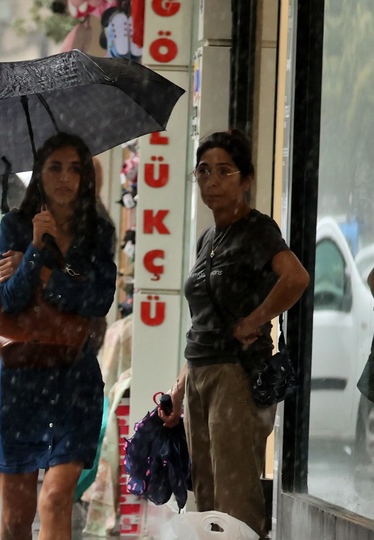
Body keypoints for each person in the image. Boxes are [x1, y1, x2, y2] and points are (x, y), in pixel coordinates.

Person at [159, 130, 310, 538]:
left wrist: (256, 318)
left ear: (246, 179)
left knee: (235, 496)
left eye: (224, 171)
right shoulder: (208, 238)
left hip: (237, 374)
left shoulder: (257, 230)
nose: (212, 181)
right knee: (204, 496)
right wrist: (179, 386)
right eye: (204, 171)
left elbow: (296, 278)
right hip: (200, 375)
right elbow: (202, 320)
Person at [0, 133, 117, 540]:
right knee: (15, 518)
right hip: (21, 381)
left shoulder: (98, 232)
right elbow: (10, 301)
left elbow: (97, 299)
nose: (66, 177)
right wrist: (33, 248)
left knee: (56, 498)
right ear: (39, 176)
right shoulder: (14, 225)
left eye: (75, 168)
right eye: (55, 167)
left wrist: (47, 274)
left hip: (73, 379)